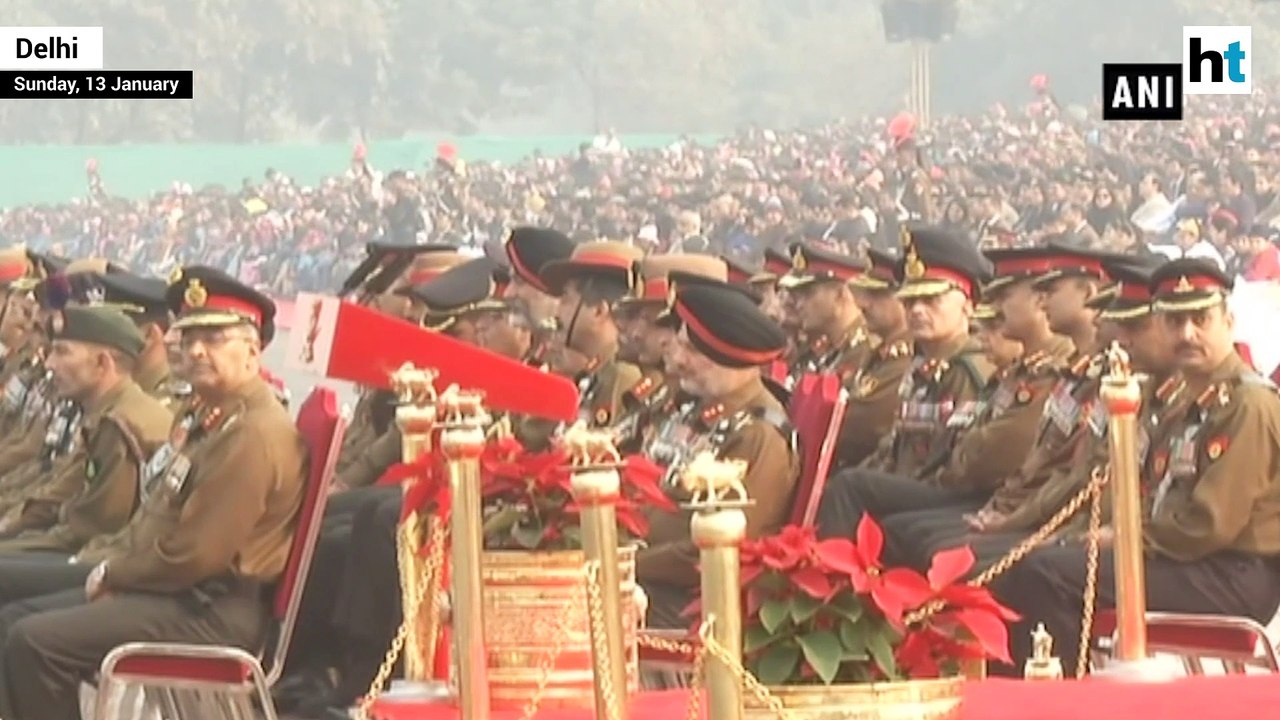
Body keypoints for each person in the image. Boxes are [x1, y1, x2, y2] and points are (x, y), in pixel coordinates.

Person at [0, 265, 306, 720]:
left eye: (216, 339)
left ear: (252, 349)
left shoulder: (253, 433)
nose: (198, 351)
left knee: (36, 642)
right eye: (190, 337)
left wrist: (114, 573)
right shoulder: (213, 415)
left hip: (209, 608)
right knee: (16, 622)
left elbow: (193, 555)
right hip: (177, 591)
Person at [991, 258, 1280, 674]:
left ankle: (1055, 704)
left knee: (1047, 576)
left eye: (1201, 319)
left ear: (1228, 322)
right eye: (1175, 321)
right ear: (1160, 325)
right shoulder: (1183, 401)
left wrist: (1121, 539)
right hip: (1184, 558)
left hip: (1227, 572)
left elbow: (1208, 525)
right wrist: (1088, 537)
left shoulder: (1246, 404)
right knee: (1031, 564)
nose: (1187, 333)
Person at [815, 226, 994, 539]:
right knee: (839, 482)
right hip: (916, 481)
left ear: (967, 304)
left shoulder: (971, 367)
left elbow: (958, 465)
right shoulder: (920, 367)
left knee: (851, 487)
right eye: (910, 302)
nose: (918, 311)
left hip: (949, 492)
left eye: (931, 300)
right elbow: (893, 445)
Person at [639, 280, 800, 628]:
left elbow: (716, 550)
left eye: (691, 350)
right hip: (653, 579)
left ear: (730, 356)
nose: (677, 360)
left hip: (694, 603)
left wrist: (623, 562)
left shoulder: (757, 435)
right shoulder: (706, 411)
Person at [0, 306, 172, 554]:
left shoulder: (120, 423)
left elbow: (90, 529)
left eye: (62, 352)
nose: (49, 364)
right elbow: (54, 486)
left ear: (103, 363)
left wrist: (8, 541)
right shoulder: (104, 412)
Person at [539, 241, 644, 427]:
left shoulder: (620, 376)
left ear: (598, 311)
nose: (557, 312)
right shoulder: (592, 370)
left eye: (566, 299)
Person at [833, 248, 913, 469]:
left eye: (877, 296)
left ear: (904, 299)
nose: (864, 304)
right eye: (866, 294)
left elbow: (858, 427)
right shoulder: (878, 353)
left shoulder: (904, 359)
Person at [783, 244, 873, 387]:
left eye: (808, 294)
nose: (799, 305)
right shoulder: (833, 351)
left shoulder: (866, 352)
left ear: (840, 295)